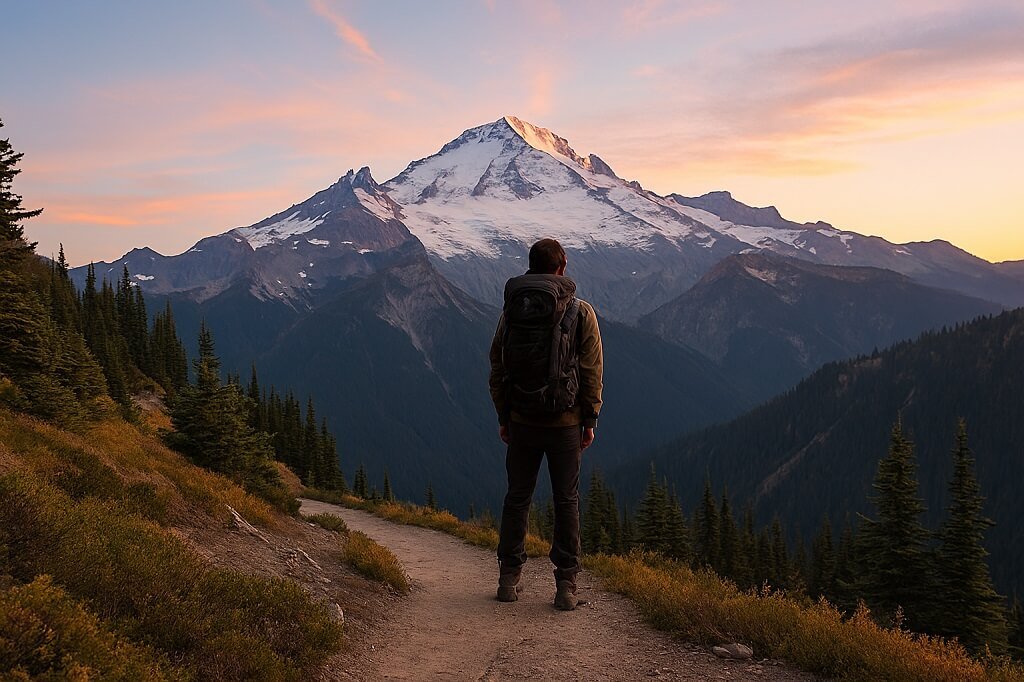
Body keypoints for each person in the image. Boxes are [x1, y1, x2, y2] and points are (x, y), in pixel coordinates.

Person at [488, 238, 604, 611]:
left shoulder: (511, 312)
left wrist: (504, 415)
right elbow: (591, 372)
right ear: (562, 265)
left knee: (517, 497)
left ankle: (508, 578)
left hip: (521, 419)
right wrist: (590, 418)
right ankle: (566, 586)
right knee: (566, 499)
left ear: (529, 266)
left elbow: (498, 367)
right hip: (565, 423)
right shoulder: (581, 311)